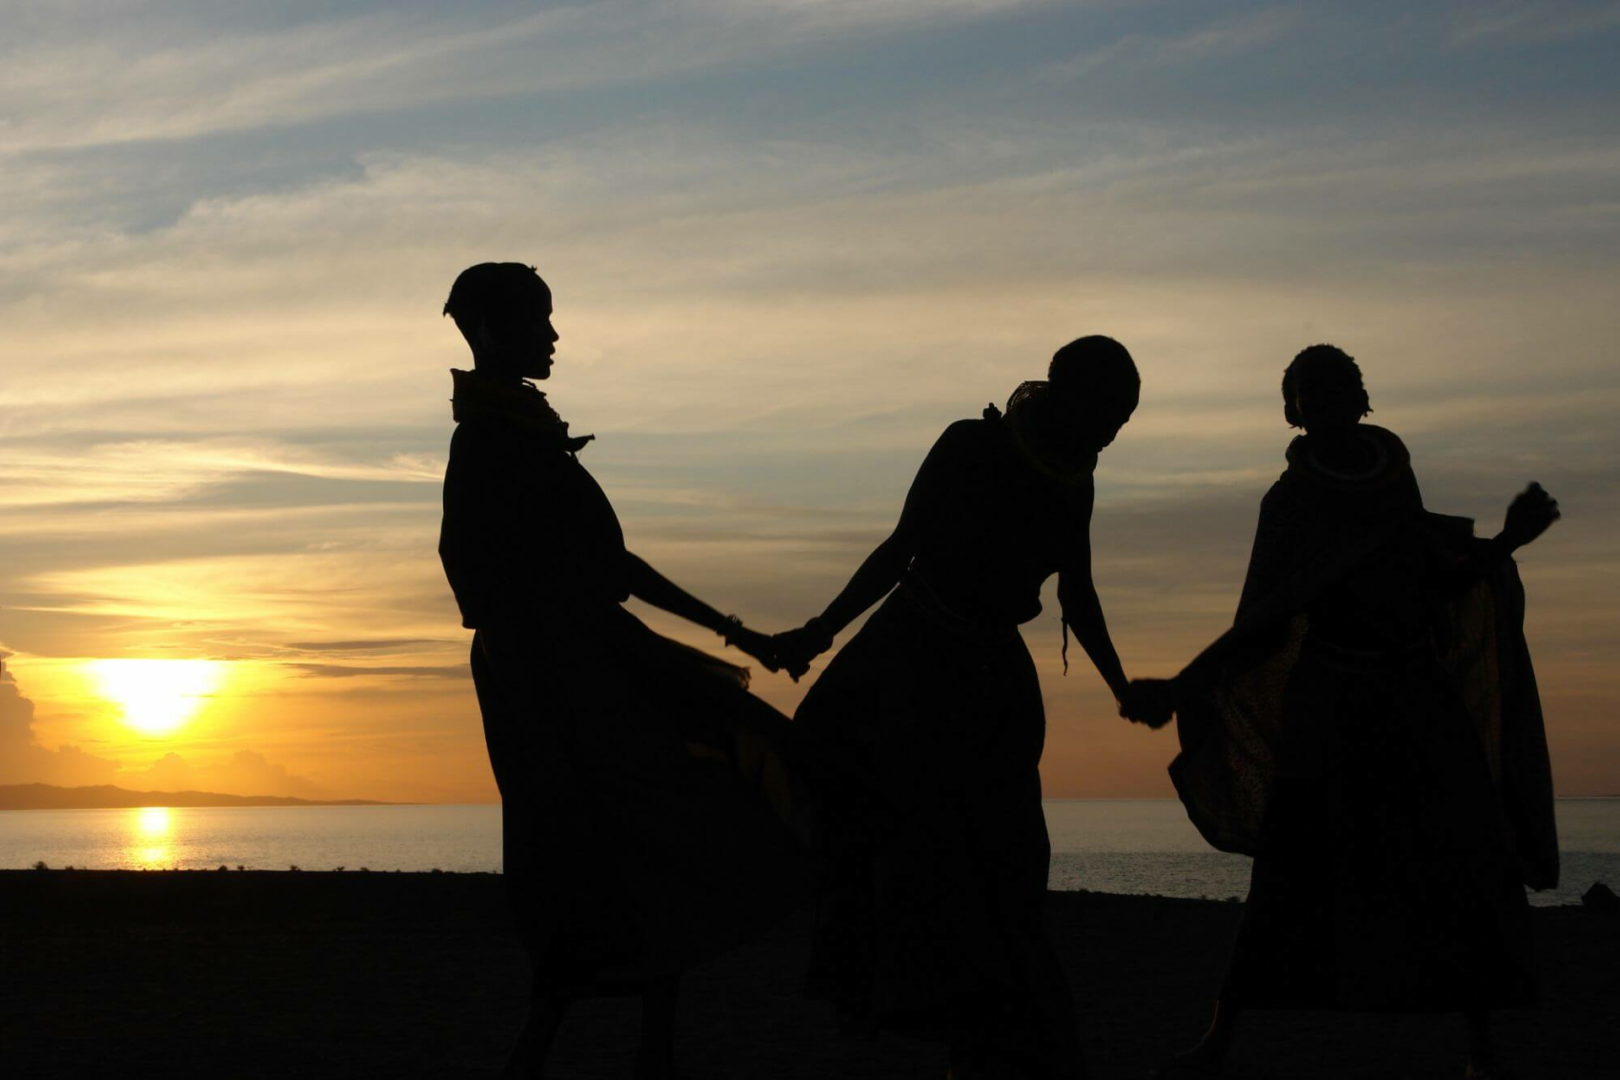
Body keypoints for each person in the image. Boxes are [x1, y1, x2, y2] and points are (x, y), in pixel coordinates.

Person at [1127, 345, 1560, 1079]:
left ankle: (1482, 1050)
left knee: (1460, 859)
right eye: (1312, 390)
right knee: (1288, 869)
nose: (1328, 400)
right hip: (1329, 701)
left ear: (1362, 399)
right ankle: (1219, 1041)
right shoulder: (1289, 503)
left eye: (1341, 386)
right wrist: (1183, 686)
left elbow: (1434, 584)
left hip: (1417, 695)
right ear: (1292, 411)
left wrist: (1509, 542)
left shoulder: (1396, 479)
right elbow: (1266, 616)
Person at [437, 263, 809, 1080]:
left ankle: (647, 1047)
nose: (554, 336)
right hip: (564, 681)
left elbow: (613, 565)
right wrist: (544, 702)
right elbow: (479, 581)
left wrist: (739, 635)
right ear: (493, 331)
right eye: (538, 320)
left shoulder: (519, 430)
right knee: (626, 842)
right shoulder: (492, 441)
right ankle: (572, 1048)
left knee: (659, 836)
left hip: (592, 662)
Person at [774, 336, 1149, 1080]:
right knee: (857, 798)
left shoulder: (1076, 478)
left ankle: (983, 1014)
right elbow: (901, 549)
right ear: (1067, 394)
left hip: (991, 673)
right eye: (1109, 414)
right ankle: (870, 985)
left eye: (1123, 421)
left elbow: (1077, 592)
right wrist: (821, 631)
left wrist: (1120, 686)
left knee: (1004, 858)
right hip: (909, 654)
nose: (1113, 433)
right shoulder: (970, 445)